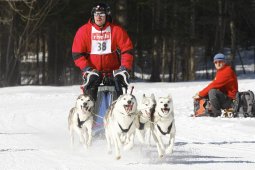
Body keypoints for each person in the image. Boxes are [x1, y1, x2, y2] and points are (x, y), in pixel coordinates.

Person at [72, 3, 133, 101]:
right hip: (92, 71)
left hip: (113, 71)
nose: (98, 17)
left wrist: (124, 68)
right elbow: (77, 54)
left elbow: (127, 50)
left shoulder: (116, 30)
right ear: (93, 15)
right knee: (91, 89)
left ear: (107, 15)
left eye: (102, 14)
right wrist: (87, 69)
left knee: (118, 87)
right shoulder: (83, 31)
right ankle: (90, 114)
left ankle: (118, 111)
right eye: (96, 14)